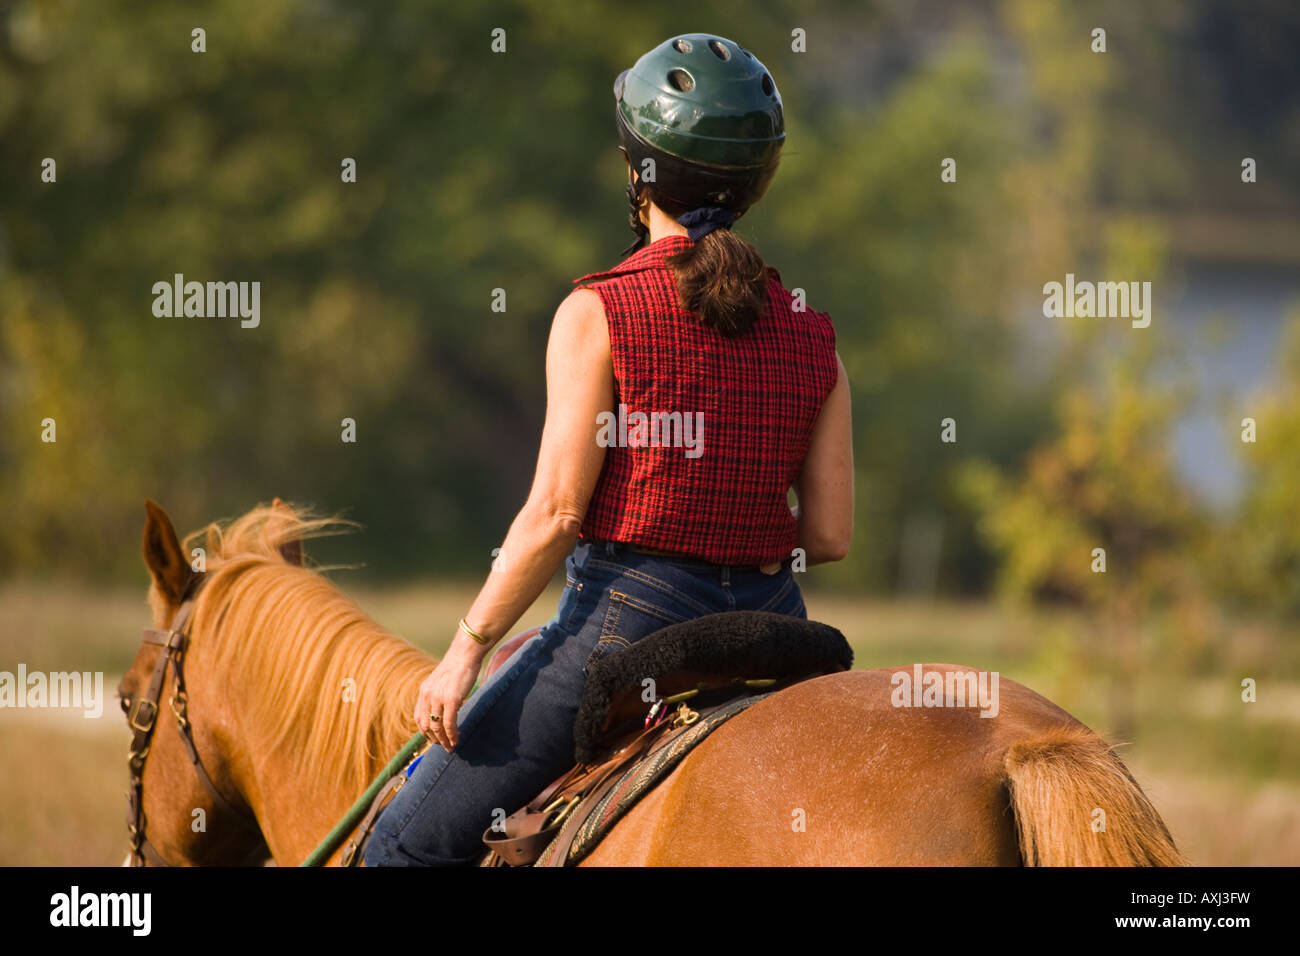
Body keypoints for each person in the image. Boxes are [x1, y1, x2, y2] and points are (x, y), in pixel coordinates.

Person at [364, 32, 853, 866]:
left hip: (631, 623)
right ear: (756, 183)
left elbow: (556, 516)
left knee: (401, 850)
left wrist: (464, 650)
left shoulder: (599, 311)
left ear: (640, 175)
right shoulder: (814, 334)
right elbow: (833, 536)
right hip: (777, 623)